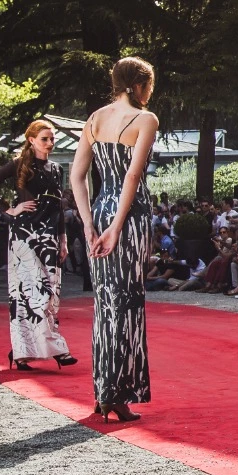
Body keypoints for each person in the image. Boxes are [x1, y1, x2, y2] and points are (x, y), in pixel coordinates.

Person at [70, 57, 159, 423]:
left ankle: (102, 391)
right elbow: (133, 177)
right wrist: (118, 227)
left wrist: (89, 225)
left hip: (99, 209)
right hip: (129, 215)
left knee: (104, 304)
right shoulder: (146, 119)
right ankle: (116, 395)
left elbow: (77, 177)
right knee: (127, 303)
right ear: (140, 85)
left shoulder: (94, 119)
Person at [0, 120, 77, 372]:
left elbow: (59, 206)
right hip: (24, 235)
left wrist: (63, 239)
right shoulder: (19, 164)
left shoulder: (56, 168)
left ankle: (21, 353)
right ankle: (57, 350)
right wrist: (10, 209)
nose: (50, 143)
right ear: (31, 140)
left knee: (51, 290)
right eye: (45, 139)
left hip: (50, 236)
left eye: (52, 139)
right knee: (31, 292)